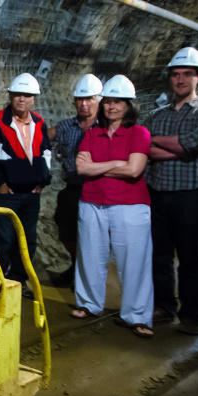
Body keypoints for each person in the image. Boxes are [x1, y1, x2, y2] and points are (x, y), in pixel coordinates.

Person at [71, 75, 154, 338]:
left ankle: (137, 316)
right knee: (90, 256)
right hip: (92, 203)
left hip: (130, 206)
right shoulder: (92, 133)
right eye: (108, 101)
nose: (112, 107)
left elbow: (134, 170)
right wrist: (115, 164)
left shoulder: (138, 133)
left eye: (118, 102)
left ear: (129, 105)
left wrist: (99, 167)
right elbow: (82, 167)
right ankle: (88, 304)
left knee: (134, 262)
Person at [145, 47, 198, 336]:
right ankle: (164, 307)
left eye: (187, 74)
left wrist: (166, 144)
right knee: (159, 256)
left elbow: (194, 142)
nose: (180, 80)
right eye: (176, 74)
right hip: (158, 193)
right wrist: (179, 148)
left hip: (191, 195)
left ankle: (192, 315)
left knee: (190, 258)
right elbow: (146, 148)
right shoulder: (156, 114)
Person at [0, 73, 52, 299]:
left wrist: (42, 181)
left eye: (27, 95)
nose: (22, 99)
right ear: (9, 95)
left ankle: (18, 280)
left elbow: (46, 153)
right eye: (17, 94)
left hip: (31, 195)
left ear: (34, 99)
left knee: (28, 239)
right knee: (4, 238)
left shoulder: (39, 122)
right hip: (6, 194)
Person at [48, 74, 103, 286]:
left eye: (89, 99)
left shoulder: (107, 127)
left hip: (98, 188)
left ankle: (90, 277)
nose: (84, 103)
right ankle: (76, 266)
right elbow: (41, 135)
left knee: (93, 236)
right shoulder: (66, 127)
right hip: (73, 187)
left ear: (99, 100)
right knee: (67, 230)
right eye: (80, 99)